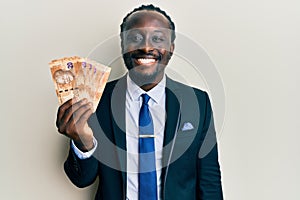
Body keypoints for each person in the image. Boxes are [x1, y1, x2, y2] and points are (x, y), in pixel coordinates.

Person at [56, 4, 223, 200]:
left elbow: (209, 180)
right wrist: (82, 142)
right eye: (135, 38)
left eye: (158, 38)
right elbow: (81, 179)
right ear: (123, 45)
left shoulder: (197, 101)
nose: (146, 47)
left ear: (171, 48)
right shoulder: (96, 100)